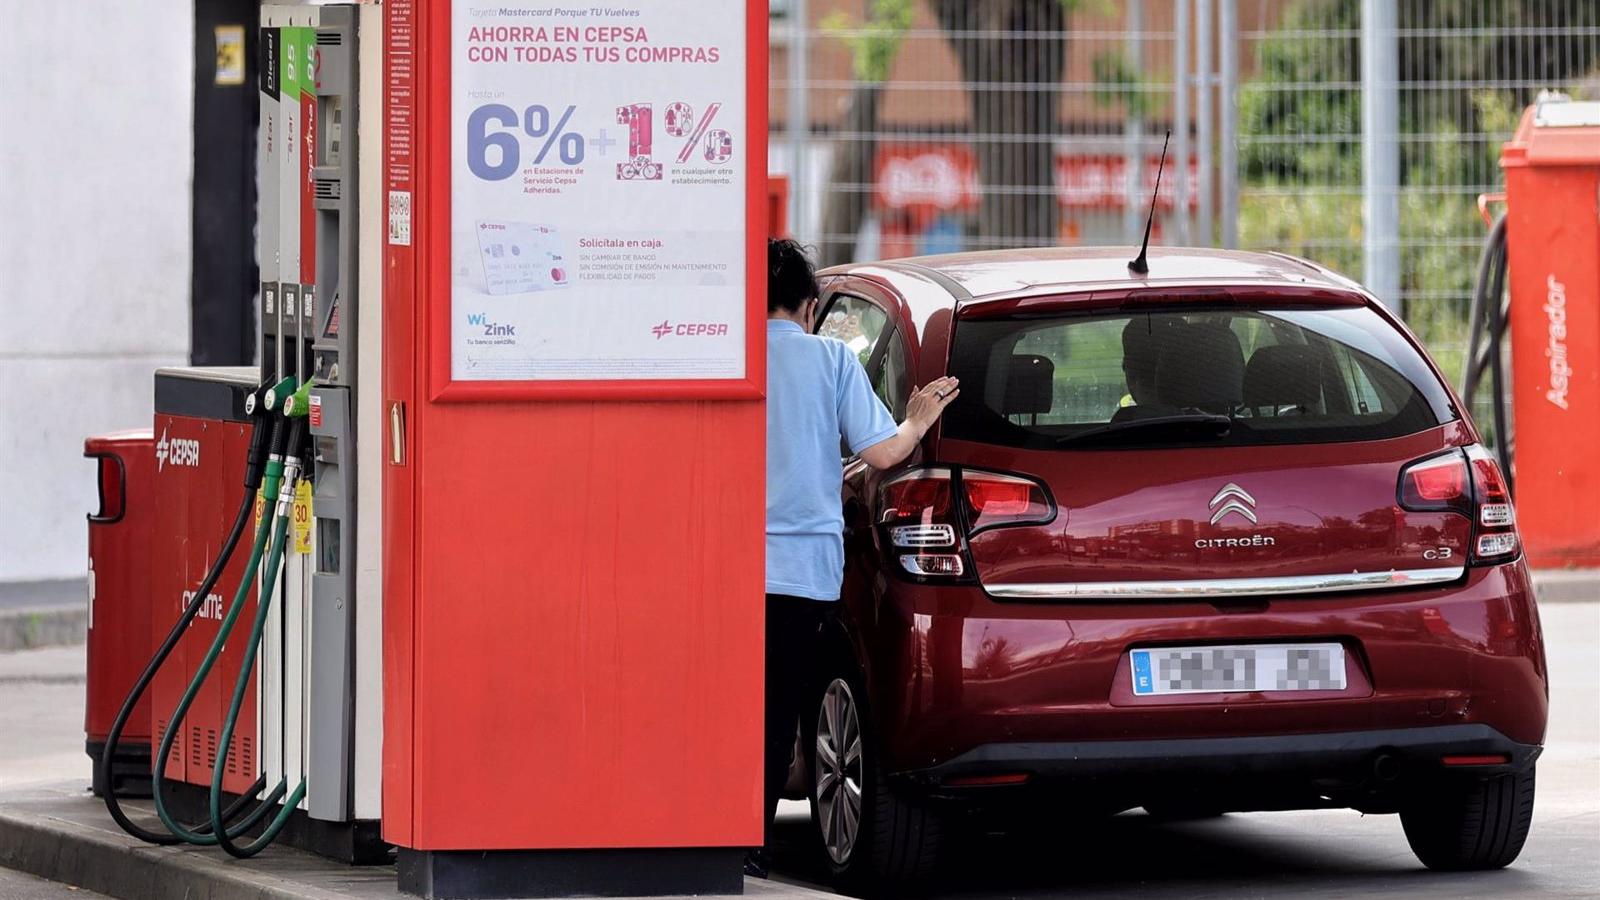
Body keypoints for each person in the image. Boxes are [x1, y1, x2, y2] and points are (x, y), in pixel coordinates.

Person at [753, 239, 958, 877]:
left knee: (740, 706)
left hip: (736, 569)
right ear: (809, 306)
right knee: (782, 708)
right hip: (806, 574)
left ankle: (723, 835)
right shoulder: (830, 359)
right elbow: (885, 453)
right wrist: (918, 419)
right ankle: (753, 842)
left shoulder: (733, 360)